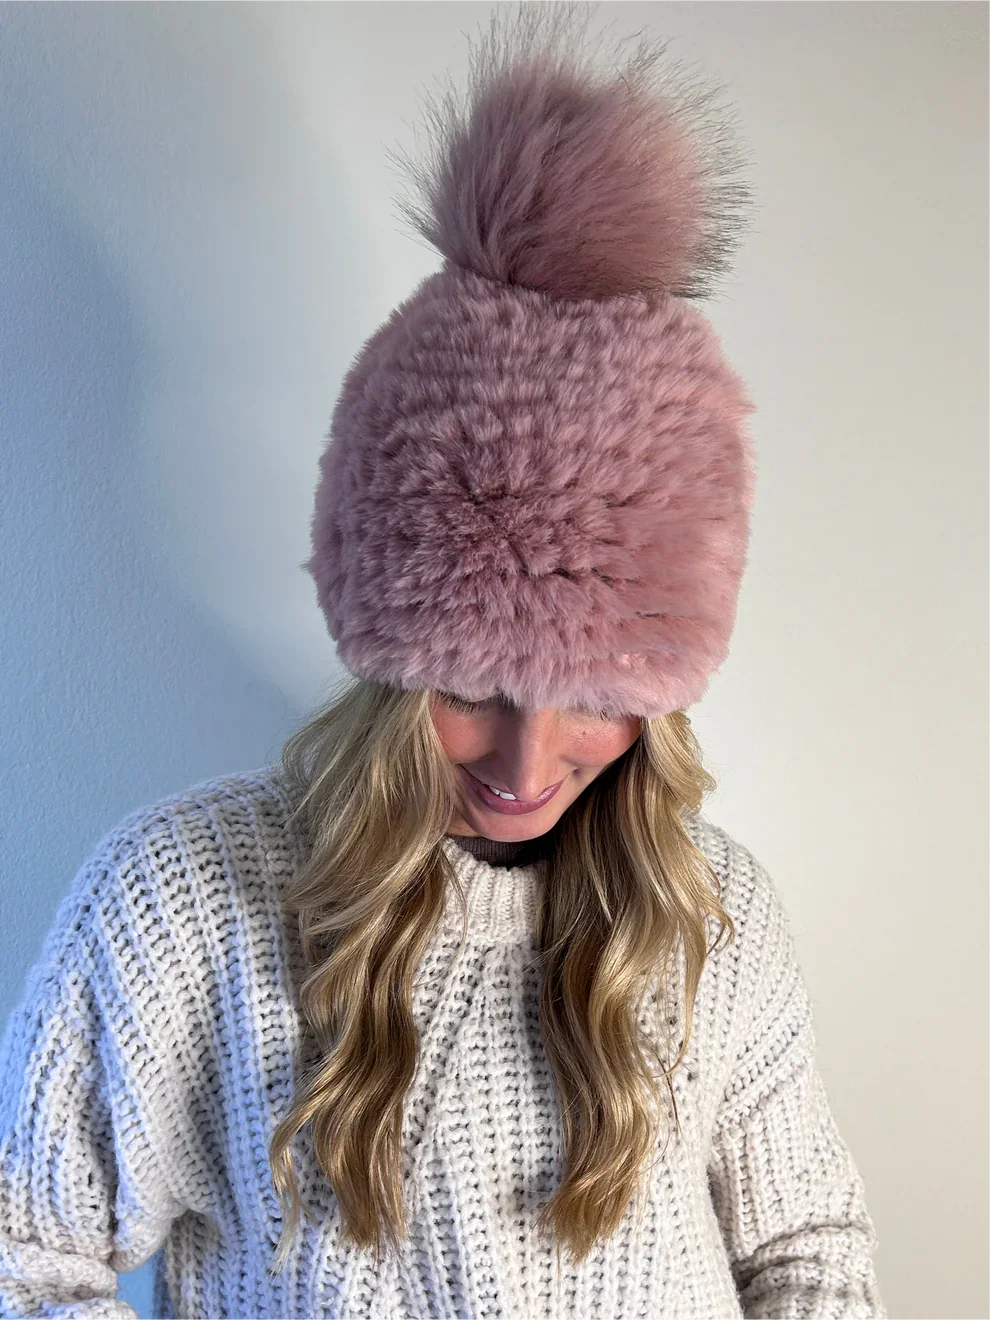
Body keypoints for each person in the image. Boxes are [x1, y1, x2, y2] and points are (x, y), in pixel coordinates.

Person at [0, 2, 887, 1316]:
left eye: (598, 695)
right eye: (470, 688)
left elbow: (808, 1256)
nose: (528, 764)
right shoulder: (181, 900)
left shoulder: (714, 917)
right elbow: (26, 1254)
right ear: (389, 656)